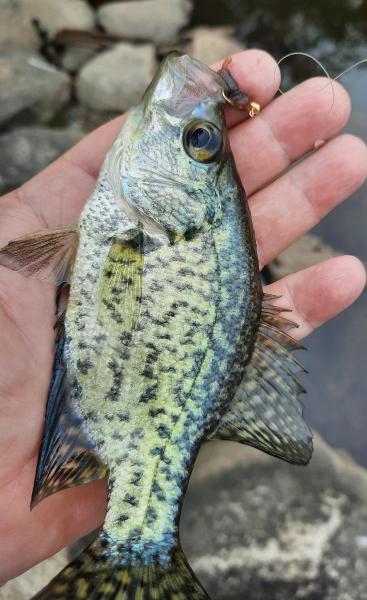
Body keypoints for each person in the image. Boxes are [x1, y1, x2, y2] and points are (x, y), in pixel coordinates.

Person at [0, 49, 365, 585]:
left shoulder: (129, 224)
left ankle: (137, 548)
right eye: (202, 139)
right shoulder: (131, 224)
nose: (193, 134)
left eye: (199, 142)